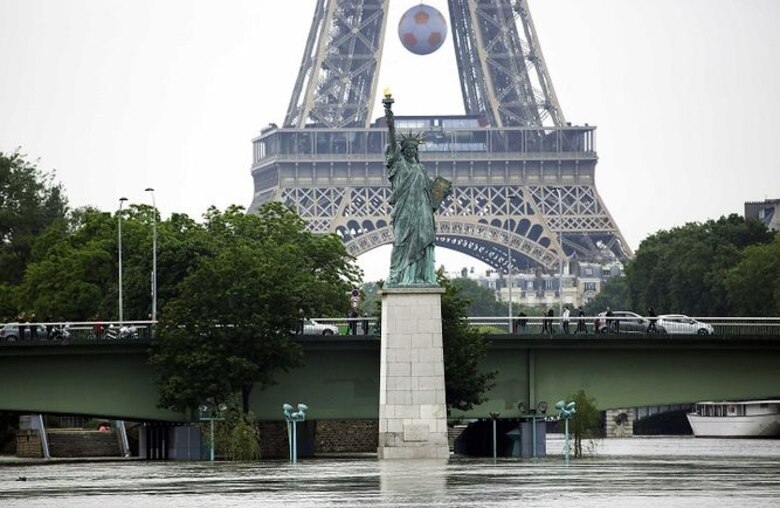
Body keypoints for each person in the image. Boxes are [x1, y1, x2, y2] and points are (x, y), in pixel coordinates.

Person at [382, 91, 451, 287]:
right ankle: (399, 274)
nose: (411, 150)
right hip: (405, 210)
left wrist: (443, 190)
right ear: (403, 151)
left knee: (422, 239)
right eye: (408, 149)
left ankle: (419, 276)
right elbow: (392, 140)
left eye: (414, 148)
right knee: (401, 241)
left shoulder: (421, 168)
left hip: (421, 211)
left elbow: (431, 193)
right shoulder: (399, 164)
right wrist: (390, 118)